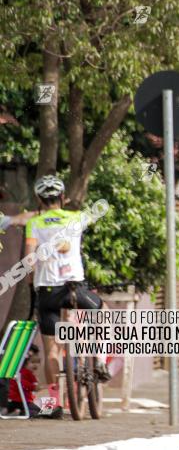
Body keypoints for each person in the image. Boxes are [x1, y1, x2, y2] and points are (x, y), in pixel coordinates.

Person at [24, 175, 108, 418]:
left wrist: (32, 284)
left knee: (51, 350)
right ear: (62, 197)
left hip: (46, 292)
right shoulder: (76, 218)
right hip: (74, 288)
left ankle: (53, 405)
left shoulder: (34, 223)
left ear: (39, 198)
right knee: (103, 313)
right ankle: (99, 360)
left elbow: (30, 259)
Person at [4, 346, 46, 417]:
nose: (35, 365)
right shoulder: (23, 372)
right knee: (38, 411)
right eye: (32, 362)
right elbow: (23, 384)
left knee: (36, 409)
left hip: (19, 400)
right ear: (25, 363)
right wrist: (36, 387)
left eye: (37, 362)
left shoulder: (28, 374)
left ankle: (17, 412)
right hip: (20, 400)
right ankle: (22, 413)